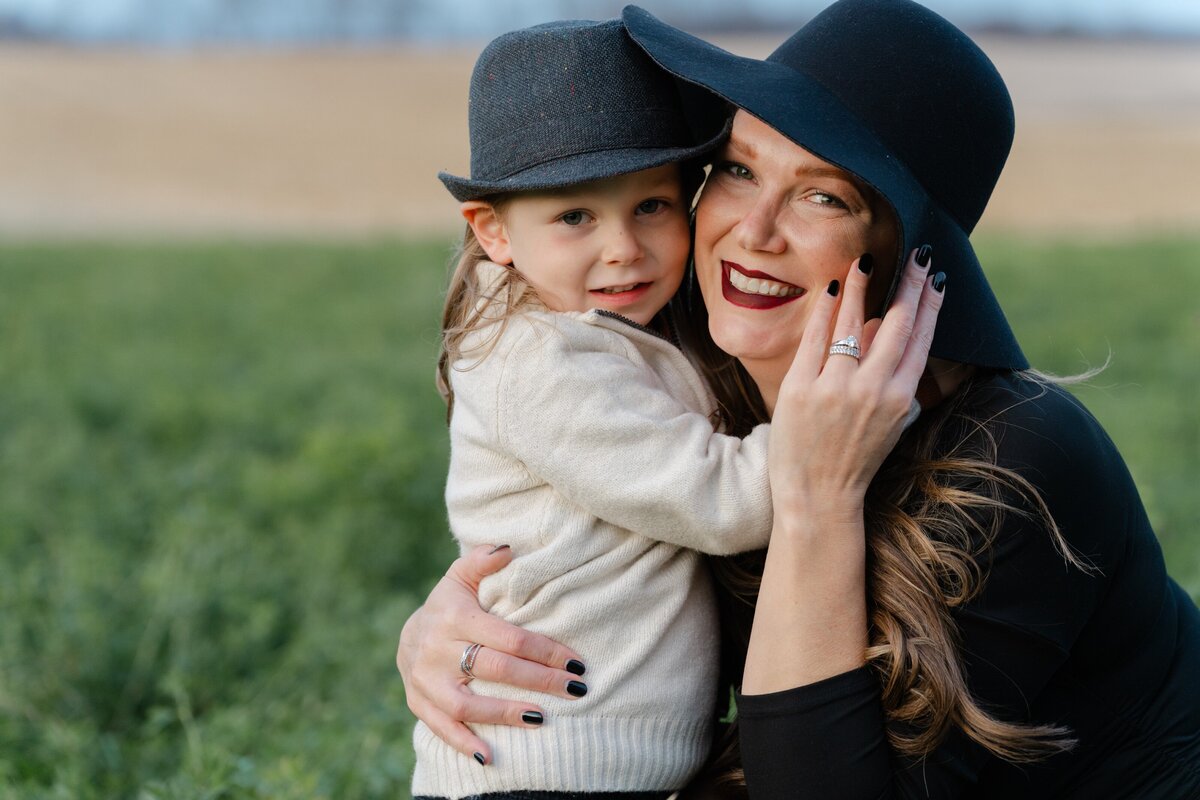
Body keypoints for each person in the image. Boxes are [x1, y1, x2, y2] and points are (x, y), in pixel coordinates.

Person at [400, 1, 1200, 798]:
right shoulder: (684, 363)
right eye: (739, 170)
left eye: (824, 197)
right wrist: (446, 629)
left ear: (904, 253)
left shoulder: (1014, 460)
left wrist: (820, 497)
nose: (754, 231)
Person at [414, 17, 930, 800]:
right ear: (494, 233)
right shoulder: (542, 363)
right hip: (541, 769)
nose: (624, 247)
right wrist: (843, 425)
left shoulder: (618, 327)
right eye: (576, 217)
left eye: (652, 206)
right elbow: (718, 499)